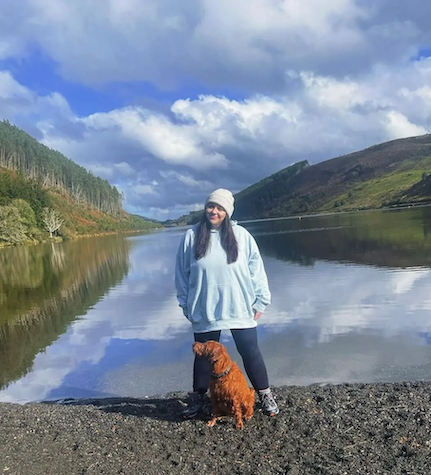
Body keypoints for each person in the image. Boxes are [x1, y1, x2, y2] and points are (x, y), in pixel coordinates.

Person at [175, 188, 279, 418]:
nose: (214, 211)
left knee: (250, 352)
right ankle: (198, 398)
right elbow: (181, 274)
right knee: (203, 356)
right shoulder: (192, 236)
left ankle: (265, 394)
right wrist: (185, 304)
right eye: (211, 206)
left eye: (220, 208)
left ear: (228, 212)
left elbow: (256, 269)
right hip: (204, 307)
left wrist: (261, 300)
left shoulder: (241, 236)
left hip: (239, 306)